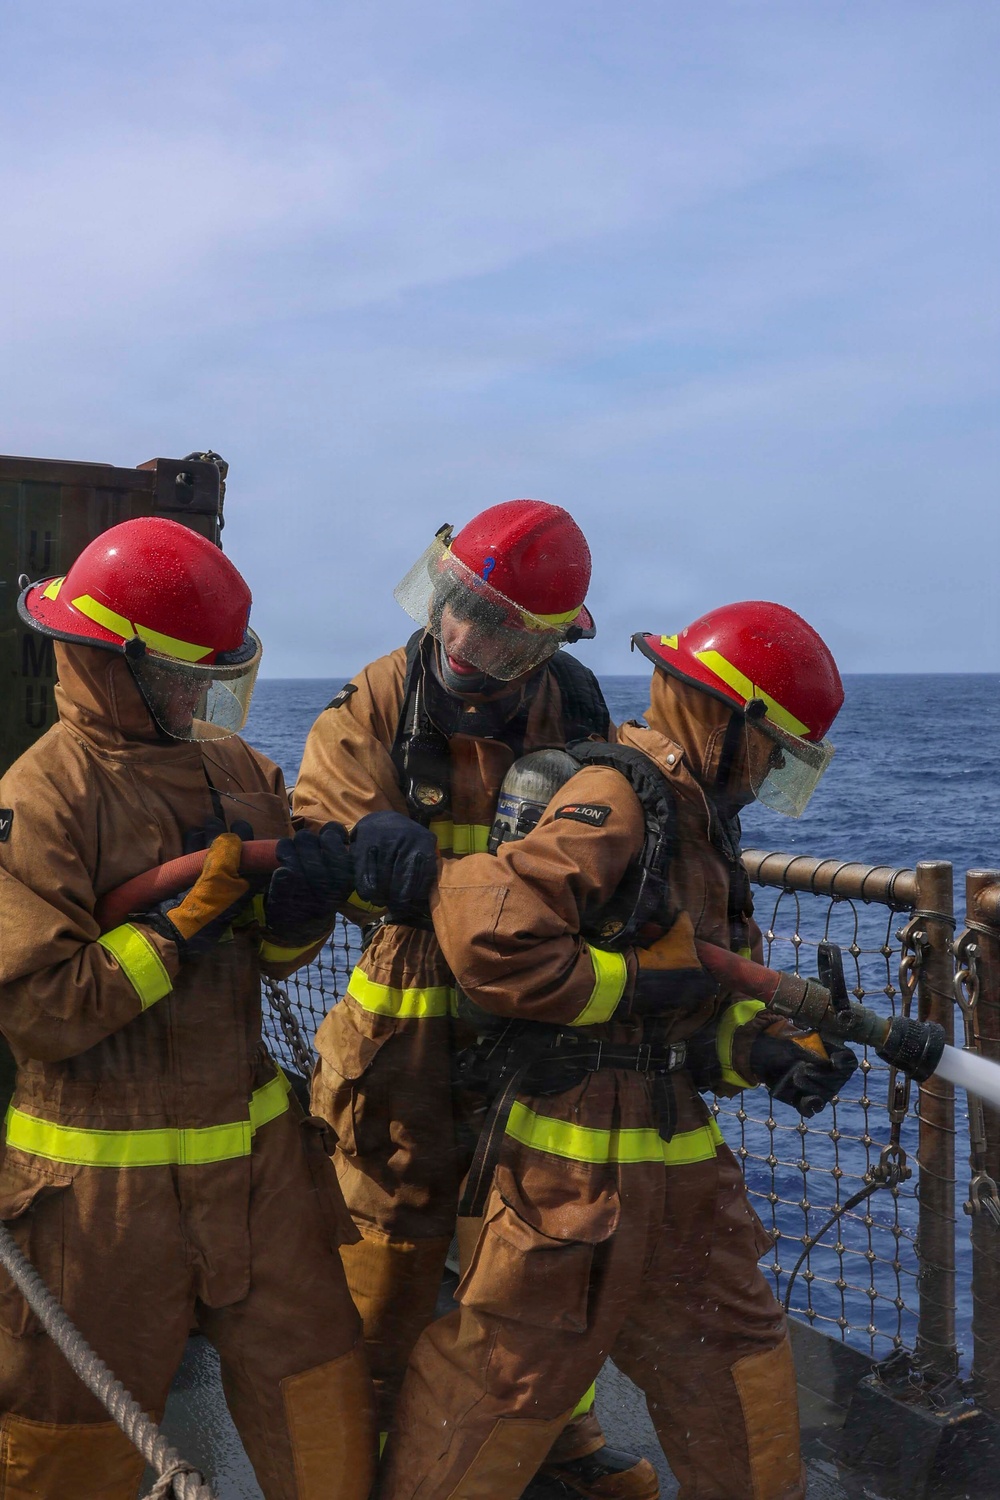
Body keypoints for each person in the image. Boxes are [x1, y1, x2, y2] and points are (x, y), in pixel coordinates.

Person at [377, 601, 856, 1500]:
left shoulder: (699, 825)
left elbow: (692, 1012)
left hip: (682, 1184)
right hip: (571, 1181)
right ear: (726, 719)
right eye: (771, 752)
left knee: (741, 1381)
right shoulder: (621, 801)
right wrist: (632, 987)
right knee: (497, 1397)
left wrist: (764, 1054)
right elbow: (490, 938)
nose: (767, 776)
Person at [0, 518, 376, 1500]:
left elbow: (277, 959)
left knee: (324, 1409)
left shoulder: (238, 773)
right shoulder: (39, 796)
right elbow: (44, 1010)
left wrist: (301, 909)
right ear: (111, 662)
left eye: (210, 681)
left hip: (256, 1180)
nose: (197, 699)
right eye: (179, 677)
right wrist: (182, 923)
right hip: (96, 1208)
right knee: (67, 1454)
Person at [294, 500, 659, 1498]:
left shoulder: (578, 712)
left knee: (537, 1258)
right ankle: (364, 1467)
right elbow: (322, 817)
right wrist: (358, 850)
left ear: (546, 642)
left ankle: (555, 1447)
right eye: (460, 606)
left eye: (498, 628)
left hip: (528, 1032)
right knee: (384, 1259)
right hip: (398, 1040)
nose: (464, 639)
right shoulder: (375, 700)